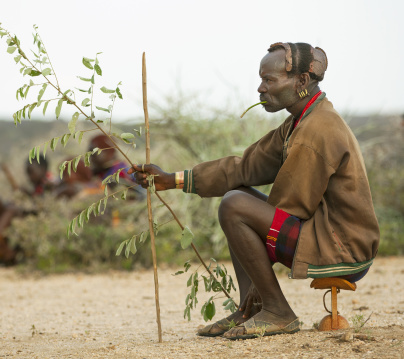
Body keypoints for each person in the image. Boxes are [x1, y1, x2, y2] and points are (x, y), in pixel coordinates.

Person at [129, 42, 379, 340]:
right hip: (325, 233)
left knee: (236, 205)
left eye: (269, 80)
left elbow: (289, 207)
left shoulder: (316, 130)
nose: (260, 89)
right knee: (239, 200)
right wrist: (174, 179)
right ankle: (254, 309)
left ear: (301, 81)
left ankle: (276, 311)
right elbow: (245, 167)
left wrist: (256, 248)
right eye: (261, 80)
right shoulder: (300, 122)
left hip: (343, 247)